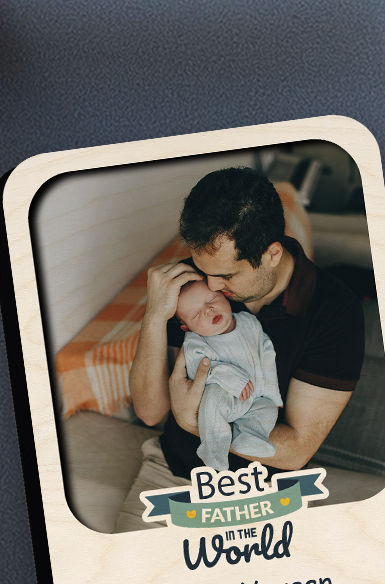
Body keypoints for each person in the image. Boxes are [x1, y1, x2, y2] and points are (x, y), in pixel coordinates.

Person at [115, 166, 365, 532]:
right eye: (203, 269)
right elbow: (151, 412)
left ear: (272, 254)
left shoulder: (335, 312)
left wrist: (193, 422)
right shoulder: (191, 285)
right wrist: (154, 316)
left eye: (227, 275)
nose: (212, 286)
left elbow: (295, 452)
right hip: (175, 475)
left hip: (269, 486)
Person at [174, 278, 282, 470]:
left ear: (225, 296)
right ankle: (213, 450)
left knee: (268, 409)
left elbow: (266, 353)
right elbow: (198, 371)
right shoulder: (195, 342)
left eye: (211, 299)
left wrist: (272, 394)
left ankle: (249, 438)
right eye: (196, 313)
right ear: (186, 327)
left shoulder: (248, 321)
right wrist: (234, 379)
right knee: (212, 399)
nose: (208, 310)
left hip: (255, 398)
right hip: (225, 399)